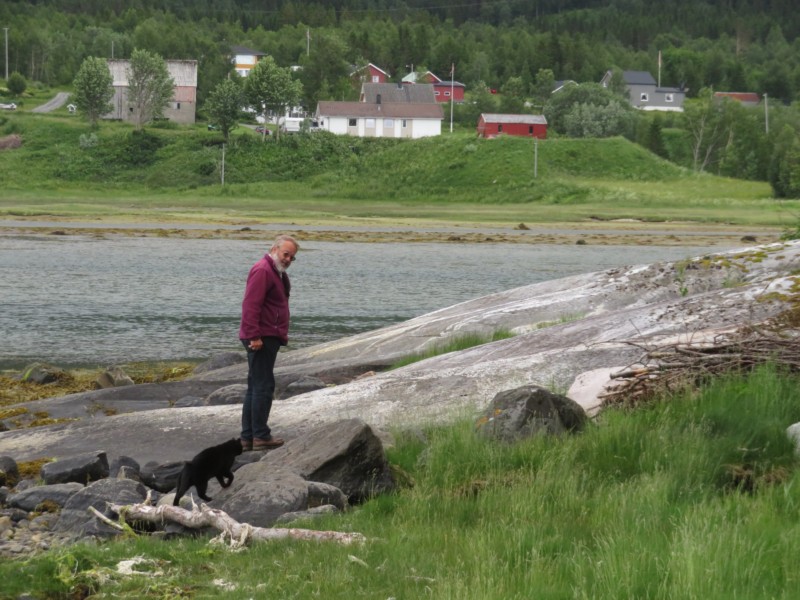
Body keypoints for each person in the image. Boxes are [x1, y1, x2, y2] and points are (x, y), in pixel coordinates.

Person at [238, 234, 299, 451]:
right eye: (286, 254)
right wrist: (254, 336)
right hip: (261, 337)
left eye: (292, 257)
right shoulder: (263, 270)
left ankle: (248, 437)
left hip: (267, 335)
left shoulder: (276, 273)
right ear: (274, 249)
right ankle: (260, 436)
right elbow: (251, 305)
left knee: (256, 386)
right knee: (263, 386)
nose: (288, 259)